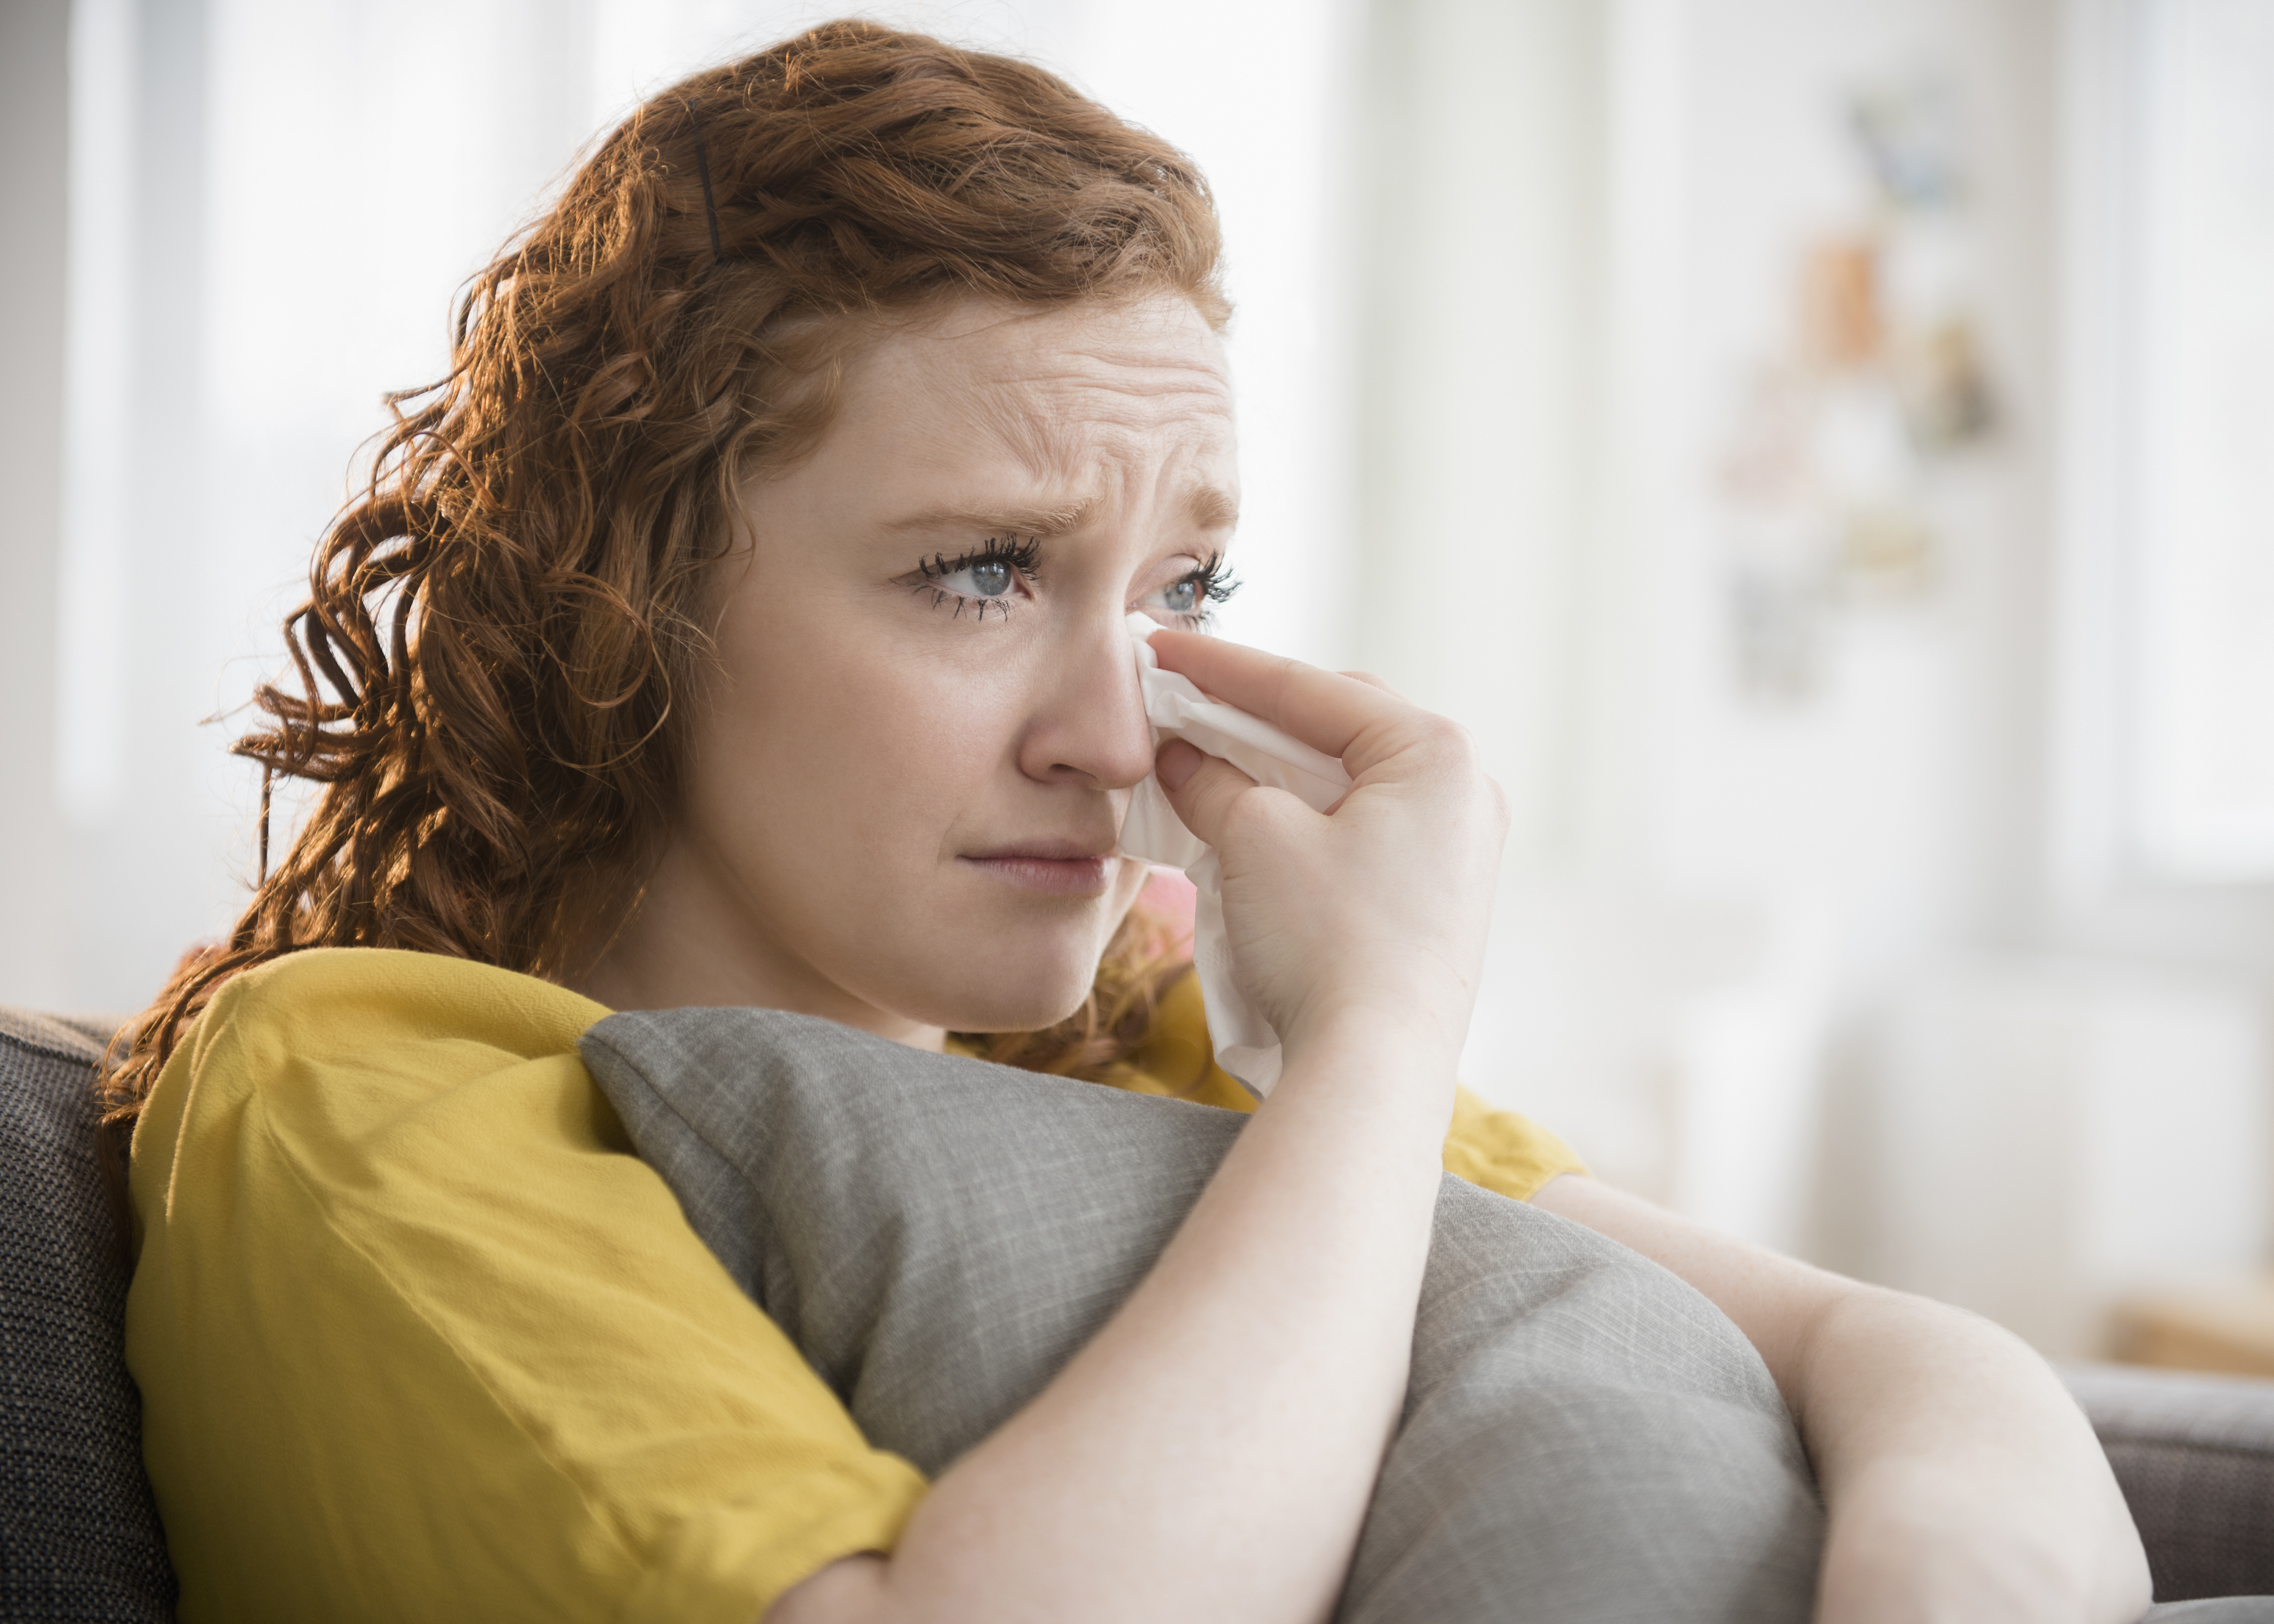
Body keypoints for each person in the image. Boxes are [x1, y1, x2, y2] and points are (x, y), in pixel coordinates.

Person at [105, 21, 2164, 1624]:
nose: (1123, 733)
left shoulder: (1147, 1044)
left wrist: (1939, 1579)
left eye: (1188, 592)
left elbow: (1889, 1349)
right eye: (982, 568)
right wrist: (1374, 1037)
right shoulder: (359, 1092)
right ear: (621, 603)